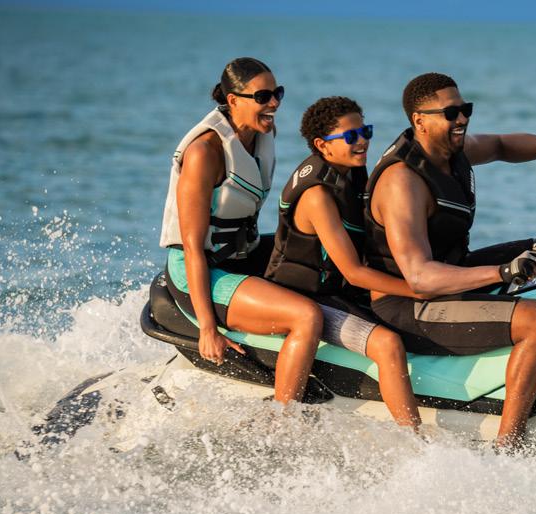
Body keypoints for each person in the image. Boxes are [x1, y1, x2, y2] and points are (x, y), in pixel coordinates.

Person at [364, 72, 536, 448]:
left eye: (465, 109)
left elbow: (499, 145)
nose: (461, 118)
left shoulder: (449, 151)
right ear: (420, 121)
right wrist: (501, 272)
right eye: (451, 113)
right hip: (407, 304)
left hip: (450, 274)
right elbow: (420, 277)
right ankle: (509, 445)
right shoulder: (403, 182)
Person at [159, 57, 323, 405]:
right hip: (199, 271)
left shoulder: (262, 134)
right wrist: (208, 328)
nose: (274, 103)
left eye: (278, 93)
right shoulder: (205, 152)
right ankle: (284, 420)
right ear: (233, 100)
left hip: (240, 254)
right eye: (263, 96)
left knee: (322, 252)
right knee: (306, 317)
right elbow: (191, 246)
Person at [265, 97, 422, 428]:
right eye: (351, 136)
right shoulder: (317, 196)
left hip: (337, 293)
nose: (362, 141)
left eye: (366, 131)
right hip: (306, 298)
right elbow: (354, 272)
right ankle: (415, 439)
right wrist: (419, 289)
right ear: (323, 145)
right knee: (387, 344)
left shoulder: (350, 172)